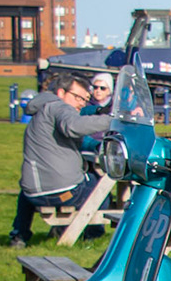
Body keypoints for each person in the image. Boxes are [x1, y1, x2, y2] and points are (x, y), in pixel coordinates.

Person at [8, 73, 111, 247]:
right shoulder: (59, 108)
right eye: (78, 98)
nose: (82, 103)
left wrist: (98, 113)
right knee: (99, 185)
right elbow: (74, 126)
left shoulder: (44, 108)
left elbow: (77, 133)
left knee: (28, 190)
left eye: (85, 100)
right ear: (61, 93)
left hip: (32, 195)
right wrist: (113, 121)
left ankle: (19, 235)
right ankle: (92, 236)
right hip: (64, 194)